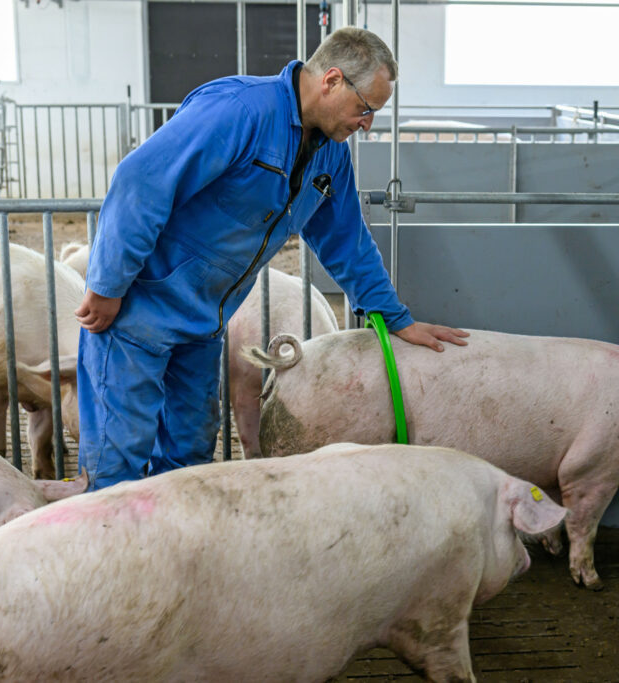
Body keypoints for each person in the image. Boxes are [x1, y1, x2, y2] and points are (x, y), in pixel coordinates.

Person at [74, 27, 468, 490]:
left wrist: (395, 318)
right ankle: (108, 552)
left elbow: (348, 241)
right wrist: (107, 287)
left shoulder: (330, 156)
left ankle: (174, 556)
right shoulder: (241, 110)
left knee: (190, 454)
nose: (367, 124)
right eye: (366, 108)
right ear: (332, 80)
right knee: (118, 460)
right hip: (140, 312)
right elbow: (142, 180)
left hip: (204, 321)